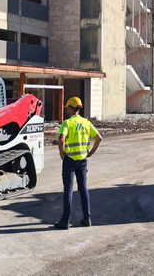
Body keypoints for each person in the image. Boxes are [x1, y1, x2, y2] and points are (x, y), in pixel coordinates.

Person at [54, 97, 103, 230]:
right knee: (83, 188)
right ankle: (87, 218)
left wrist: (61, 153)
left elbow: (61, 138)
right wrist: (90, 152)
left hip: (69, 160)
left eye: (67, 108)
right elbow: (99, 138)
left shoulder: (67, 123)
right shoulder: (86, 123)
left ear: (70, 109)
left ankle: (65, 220)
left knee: (68, 190)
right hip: (82, 160)